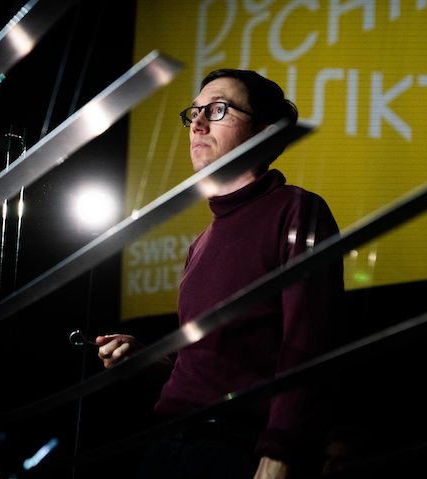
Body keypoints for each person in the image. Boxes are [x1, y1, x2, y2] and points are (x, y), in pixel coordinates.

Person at [96, 68, 344, 479]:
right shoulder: (200, 244)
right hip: (168, 448)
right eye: (193, 112)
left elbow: (310, 341)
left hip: (237, 450)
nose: (197, 123)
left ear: (265, 131)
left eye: (217, 109)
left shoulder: (296, 210)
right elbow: (215, 370)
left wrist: (280, 452)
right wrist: (148, 362)